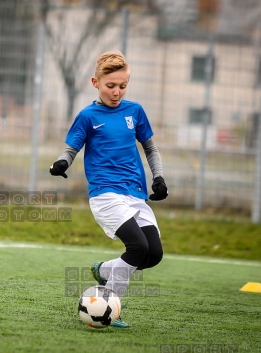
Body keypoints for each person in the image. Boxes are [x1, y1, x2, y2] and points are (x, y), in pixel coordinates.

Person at [50, 51, 168, 328]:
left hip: (134, 194)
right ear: (96, 83)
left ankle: (104, 270)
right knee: (137, 247)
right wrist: (61, 163)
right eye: (110, 86)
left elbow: (150, 148)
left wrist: (159, 178)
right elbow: (72, 147)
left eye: (122, 86)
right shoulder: (88, 115)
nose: (116, 92)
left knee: (153, 255)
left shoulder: (135, 111)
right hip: (105, 194)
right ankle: (111, 309)